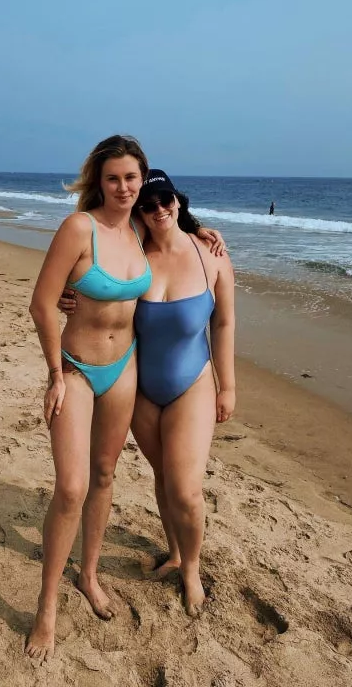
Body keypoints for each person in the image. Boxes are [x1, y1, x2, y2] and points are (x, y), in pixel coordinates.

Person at [26, 137, 224, 660]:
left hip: (126, 370)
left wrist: (200, 230)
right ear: (100, 180)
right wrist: (54, 374)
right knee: (71, 487)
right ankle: (46, 606)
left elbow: (173, 231)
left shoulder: (139, 229)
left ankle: (89, 576)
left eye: (131, 179)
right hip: (77, 368)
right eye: (114, 178)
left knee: (107, 475)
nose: (124, 188)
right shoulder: (78, 227)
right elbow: (43, 305)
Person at [60, 169, 235, 616]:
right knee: (163, 475)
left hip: (192, 384)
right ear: (139, 210)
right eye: (149, 204)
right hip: (137, 385)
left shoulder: (210, 255)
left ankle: (191, 570)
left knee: (186, 489)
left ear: (178, 200)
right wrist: (67, 293)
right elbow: (97, 273)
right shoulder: (133, 251)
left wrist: (227, 386)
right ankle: (174, 552)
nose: (159, 210)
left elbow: (224, 323)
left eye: (166, 200)